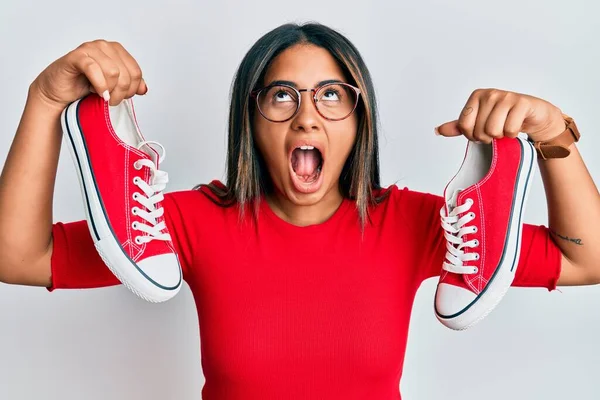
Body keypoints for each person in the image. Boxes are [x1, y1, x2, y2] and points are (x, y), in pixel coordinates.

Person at [0, 22, 598, 399]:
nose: (307, 116)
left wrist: (553, 140)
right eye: (281, 94)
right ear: (250, 119)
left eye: (332, 95)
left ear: (359, 119)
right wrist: (44, 101)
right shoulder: (189, 222)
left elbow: (586, 259)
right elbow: (18, 255)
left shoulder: (416, 223)